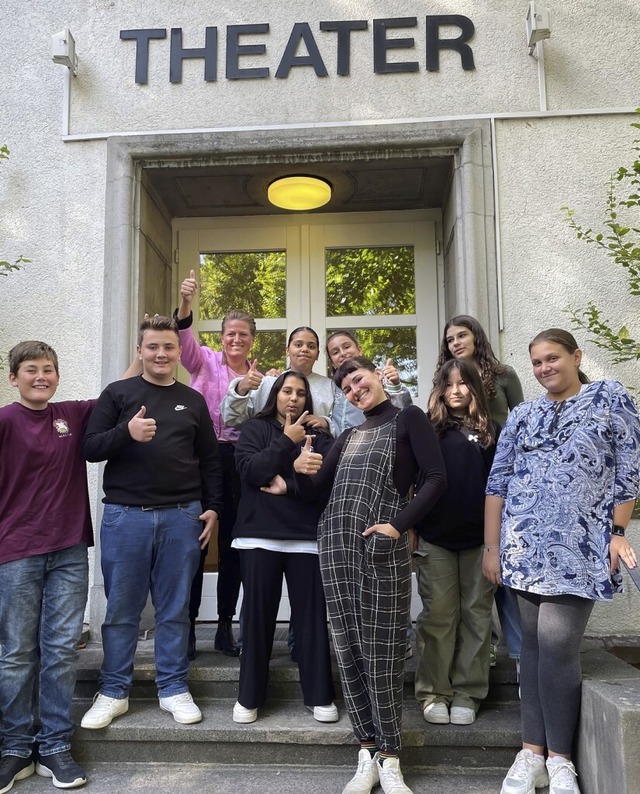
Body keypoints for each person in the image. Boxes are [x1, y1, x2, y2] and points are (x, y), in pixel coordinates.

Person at [483, 328, 640, 794]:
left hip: (580, 547)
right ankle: (531, 753)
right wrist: (491, 548)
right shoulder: (524, 413)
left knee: (557, 645)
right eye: (536, 363)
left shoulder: (609, 398)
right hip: (523, 547)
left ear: (576, 356)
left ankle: (561, 760)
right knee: (531, 646)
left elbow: (629, 470)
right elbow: (498, 482)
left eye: (553, 358)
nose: (545, 368)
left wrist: (617, 532)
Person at [293, 356, 447, 794]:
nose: (355, 390)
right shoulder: (347, 436)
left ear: (377, 375)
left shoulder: (409, 418)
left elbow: (436, 479)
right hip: (337, 549)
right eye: (347, 388)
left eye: (358, 379)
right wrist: (301, 471)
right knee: (348, 650)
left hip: (381, 546)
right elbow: (314, 494)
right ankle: (366, 749)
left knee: (382, 652)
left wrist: (398, 525)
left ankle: (391, 755)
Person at [80, 315, 223, 730]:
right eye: (153, 347)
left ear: (179, 353)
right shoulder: (118, 393)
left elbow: (210, 461)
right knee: (121, 609)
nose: (161, 354)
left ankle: (174, 687)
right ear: (140, 351)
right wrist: (127, 431)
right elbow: (90, 448)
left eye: (169, 347)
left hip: (182, 516)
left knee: (175, 608)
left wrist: (212, 506)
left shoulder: (192, 400)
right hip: (126, 517)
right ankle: (113, 691)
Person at [0, 342, 92, 792]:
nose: (41, 376)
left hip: (69, 549)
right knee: (16, 653)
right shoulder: (3, 421)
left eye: (49, 369)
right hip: (15, 551)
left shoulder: (71, 415)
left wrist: (170, 328)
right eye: (31, 370)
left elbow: (125, 389)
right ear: (13, 377)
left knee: (59, 650)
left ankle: (54, 745)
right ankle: (14, 747)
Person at [231, 372, 337, 724]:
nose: (293, 398)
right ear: (274, 394)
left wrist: (288, 481)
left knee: (310, 621)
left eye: (301, 393)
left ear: (309, 400)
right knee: (257, 619)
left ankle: (320, 695)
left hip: (305, 538)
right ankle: (249, 697)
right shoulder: (254, 430)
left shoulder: (319, 437)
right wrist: (287, 449)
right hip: (258, 535)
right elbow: (251, 472)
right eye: (286, 391)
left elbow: (321, 487)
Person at [175, 270, 256, 658]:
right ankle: (188, 628)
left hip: (238, 462)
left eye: (243, 334)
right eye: (230, 333)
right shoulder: (203, 361)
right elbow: (184, 340)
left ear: (252, 340)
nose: (236, 339)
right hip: (201, 458)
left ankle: (225, 625)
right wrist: (187, 303)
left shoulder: (260, 377)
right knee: (196, 541)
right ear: (221, 337)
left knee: (232, 547)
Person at [437, 314, 524, 671]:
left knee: (501, 576)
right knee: (471, 587)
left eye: (462, 335)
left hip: (501, 477)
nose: (456, 342)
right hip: (466, 490)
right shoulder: (446, 381)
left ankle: (520, 654)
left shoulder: (504, 375)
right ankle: (482, 649)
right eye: (450, 339)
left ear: (476, 337)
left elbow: (520, 421)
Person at [414, 359, 498, 726]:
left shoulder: (491, 431)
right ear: (439, 390)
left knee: (476, 617)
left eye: (463, 383)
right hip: (435, 540)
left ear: (474, 388)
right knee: (438, 617)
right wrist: (411, 528)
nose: (456, 391)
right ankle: (435, 692)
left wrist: (496, 543)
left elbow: (501, 488)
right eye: (448, 385)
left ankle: (468, 692)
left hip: (480, 540)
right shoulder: (428, 431)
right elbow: (414, 484)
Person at [221, 326, 340, 435]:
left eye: (311, 346)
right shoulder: (268, 383)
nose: (304, 349)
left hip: (314, 452)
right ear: (287, 351)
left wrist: (326, 423)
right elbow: (231, 419)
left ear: (318, 354)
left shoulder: (329, 386)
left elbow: (343, 423)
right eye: (298, 345)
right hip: (266, 451)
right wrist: (240, 389)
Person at [325, 330, 413, 431]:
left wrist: (396, 386)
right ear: (332, 363)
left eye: (347, 347)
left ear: (359, 350)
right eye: (335, 352)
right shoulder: (331, 388)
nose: (343, 353)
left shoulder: (375, 379)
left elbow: (404, 413)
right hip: (342, 443)